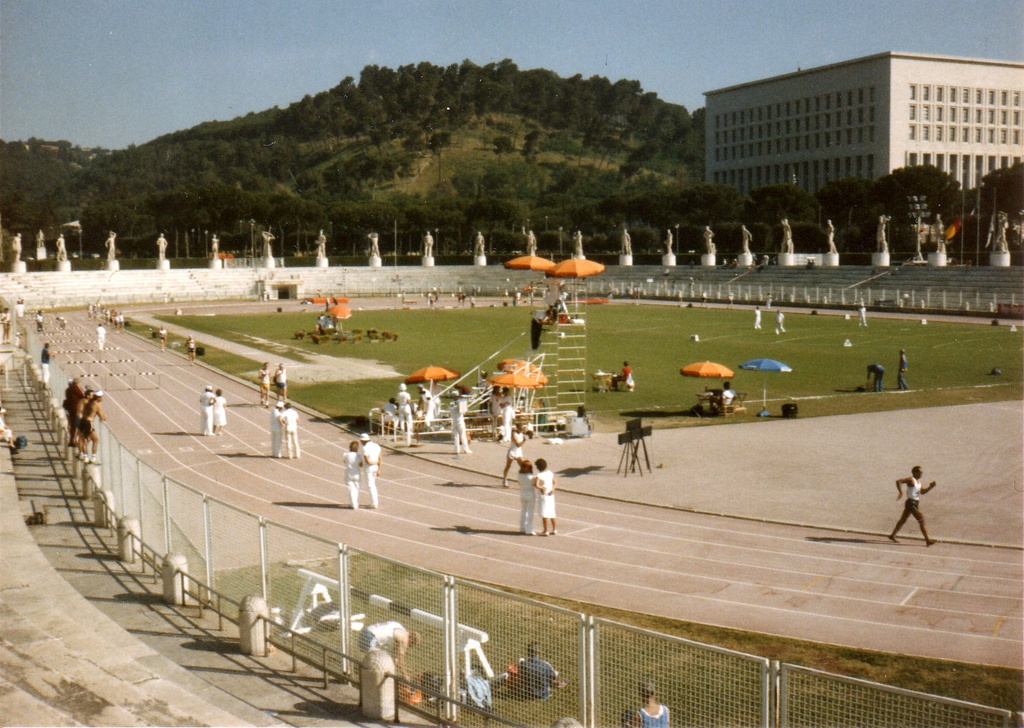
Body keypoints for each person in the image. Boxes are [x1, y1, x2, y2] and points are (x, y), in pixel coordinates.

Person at [889, 465, 937, 546]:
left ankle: (892, 535)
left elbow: (922, 492)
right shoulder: (911, 479)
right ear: (915, 472)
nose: (921, 474)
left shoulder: (918, 482)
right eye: (920, 472)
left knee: (903, 520)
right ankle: (927, 540)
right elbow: (898, 481)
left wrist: (930, 487)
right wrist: (901, 492)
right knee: (921, 519)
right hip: (911, 502)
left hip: (914, 502)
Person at [78, 390, 105, 463]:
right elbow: (101, 416)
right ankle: (93, 458)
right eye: (101, 397)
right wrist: (103, 418)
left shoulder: (88, 402)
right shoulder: (97, 405)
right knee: (95, 440)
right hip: (88, 423)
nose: (102, 398)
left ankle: (85, 457)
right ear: (98, 398)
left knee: (84, 439)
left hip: (82, 421)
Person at [534, 458, 557, 536]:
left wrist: (541, 488)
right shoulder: (550, 473)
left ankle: (545, 530)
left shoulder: (539, 475)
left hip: (544, 495)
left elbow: (536, 485)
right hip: (551, 494)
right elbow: (555, 483)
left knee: (545, 513)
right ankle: (554, 529)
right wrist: (552, 489)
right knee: (552, 512)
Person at [358, 433, 381, 509]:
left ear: (363, 441)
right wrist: (378, 468)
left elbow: (367, 461)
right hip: (375, 467)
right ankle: (375, 501)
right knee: (373, 485)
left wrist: (374, 463)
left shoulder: (365, 448)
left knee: (370, 485)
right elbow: (380, 458)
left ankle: (373, 503)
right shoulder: (376, 446)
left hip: (369, 468)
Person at [517, 459, 537, 534]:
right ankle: (529, 529)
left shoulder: (519, 475)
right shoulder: (531, 477)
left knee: (523, 511)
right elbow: (535, 484)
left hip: (522, 493)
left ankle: (522, 527)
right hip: (530, 494)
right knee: (530, 512)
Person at [343, 441, 363, 509]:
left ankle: (353, 503)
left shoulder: (345, 454)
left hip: (349, 472)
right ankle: (355, 502)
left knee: (351, 489)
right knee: (356, 488)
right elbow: (361, 465)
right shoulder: (359, 456)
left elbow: (344, 461)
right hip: (356, 473)